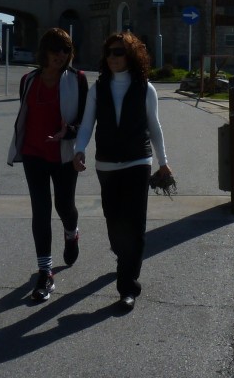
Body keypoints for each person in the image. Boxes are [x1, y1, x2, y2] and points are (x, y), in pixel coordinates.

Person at [73, 32, 173, 311]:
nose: (113, 57)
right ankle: (123, 258)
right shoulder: (99, 87)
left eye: (119, 52)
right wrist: (78, 150)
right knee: (114, 223)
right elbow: (86, 124)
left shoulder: (145, 88)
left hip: (137, 161)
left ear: (131, 55)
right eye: (110, 53)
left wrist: (163, 161)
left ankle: (127, 285)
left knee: (135, 223)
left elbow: (154, 126)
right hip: (105, 163)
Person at [6, 28, 88, 302]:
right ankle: (45, 271)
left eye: (65, 50)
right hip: (33, 153)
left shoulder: (77, 80)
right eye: (55, 50)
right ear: (44, 52)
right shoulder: (29, 80)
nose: (60, 55)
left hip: (63, 153)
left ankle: (71, 233)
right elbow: (26, 114)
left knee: (64, 205)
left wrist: (71, 131)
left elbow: (86, 120)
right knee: (40, 210)